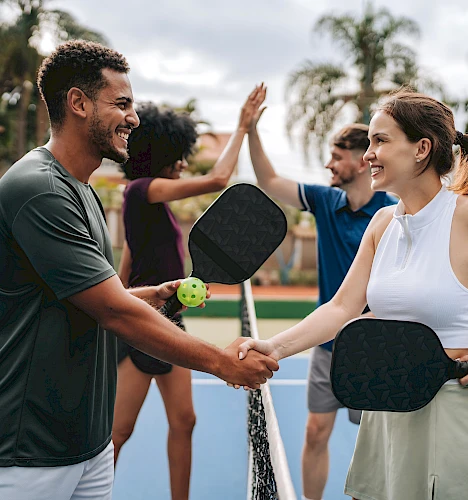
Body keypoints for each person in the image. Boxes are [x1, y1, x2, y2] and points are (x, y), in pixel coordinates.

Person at [0, 40, 278, 500]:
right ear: (78, 103)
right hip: (32, 453)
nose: (134, 118)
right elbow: (114, 314)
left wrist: (150, 293)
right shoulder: (40, 190)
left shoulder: (83, 191)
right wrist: (221, 362)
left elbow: (92, 297)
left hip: (85, 446)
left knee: (172, 422)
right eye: (122, 104)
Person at [238, 88, 468, 500]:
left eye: (381, 141)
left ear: (422, 149)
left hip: (449, 416)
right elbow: (342, 307)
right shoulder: (381, 223)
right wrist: (272, 347)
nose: (368, 155)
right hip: (384, 409)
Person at [245, 84, 396, 500]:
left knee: (378, 445)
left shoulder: (395, 212)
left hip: (376, 349)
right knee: (315, 433)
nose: (329, 164)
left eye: (336, 156)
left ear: (363, 160)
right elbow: (269, 180)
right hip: (327, 346)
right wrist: (252, 131)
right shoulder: (325, 201)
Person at [113, 93, 260, 499]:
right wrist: (243, 126)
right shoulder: (141, 191)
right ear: (157, 153)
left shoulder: (148, 203)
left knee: (184, 421)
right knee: (118, 432)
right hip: (144, 326)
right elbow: (217, 180)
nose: (181, 163)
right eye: (176, 156)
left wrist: (178, 294)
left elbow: (129, 258)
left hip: (169, 317)